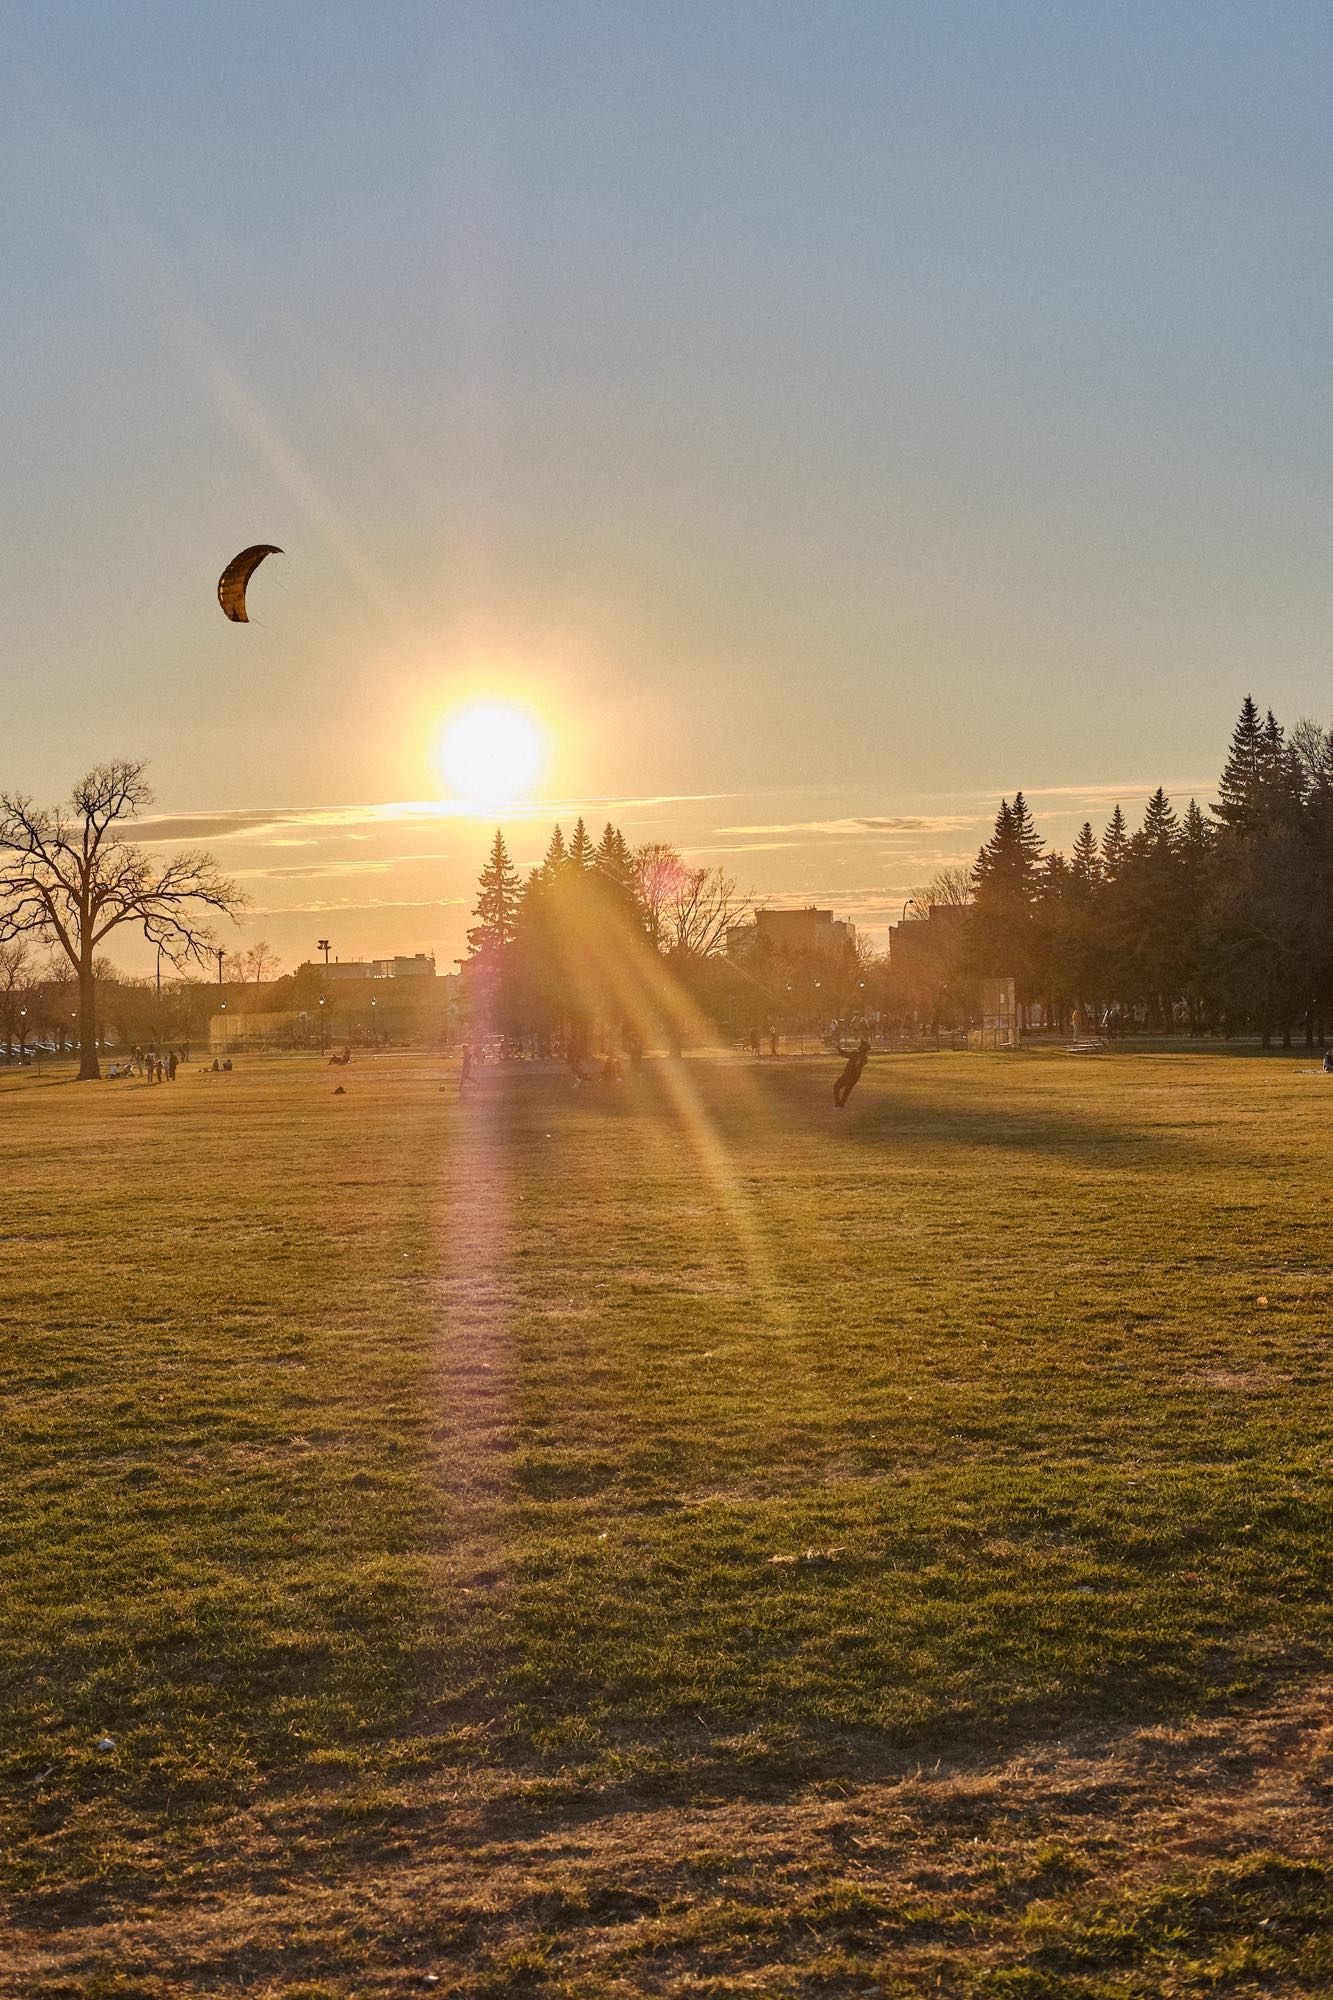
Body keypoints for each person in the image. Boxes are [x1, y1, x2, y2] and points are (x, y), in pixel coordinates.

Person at [833, 1038, 871, 1108]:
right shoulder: (864, 1057)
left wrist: (838, 1048)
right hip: (855, 1077)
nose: (859, 1047)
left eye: (861, 1046)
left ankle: (839, 1103)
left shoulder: (856, 1054)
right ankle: (841, 1103)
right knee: (847, 1090)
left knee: (837, 1087)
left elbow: (844, 1054)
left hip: (849, 1075)